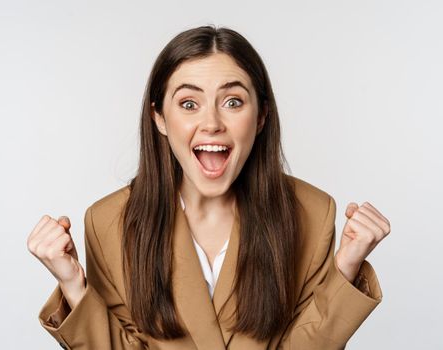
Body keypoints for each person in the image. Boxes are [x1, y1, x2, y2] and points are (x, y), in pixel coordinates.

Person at [27, 25, 391, 350]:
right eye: (189, 103)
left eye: (233, 102)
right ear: (159, 118)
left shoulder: (312, 212)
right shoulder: (108, 223)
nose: (211, 122)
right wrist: (74, 284)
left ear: (261, 116)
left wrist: (344, 268)